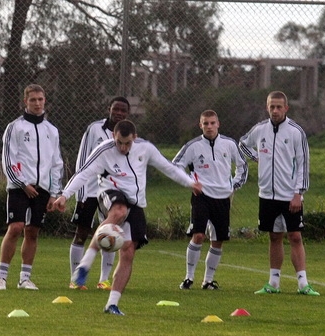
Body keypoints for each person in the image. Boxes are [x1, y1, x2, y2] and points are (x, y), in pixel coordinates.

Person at [53, 120, 202, 315]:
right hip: (110, 192)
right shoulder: (103, 150)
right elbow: (83, 174)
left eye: (127, 143)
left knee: (128, 251)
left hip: (136, 202)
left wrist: (190, 183)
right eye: (119, 143)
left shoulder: (145, 148)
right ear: (113, 137)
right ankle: (85, 263)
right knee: (119, 211)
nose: (123, 147)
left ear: (135, 138)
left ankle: (112, 304)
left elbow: (168, 168)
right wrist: (65, 195)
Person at [239, 91, 320, 296]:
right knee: (274, 237)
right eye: (271, 106)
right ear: (267, 107)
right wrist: (256, 157)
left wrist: (298, 193)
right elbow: (242, 144)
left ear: (286, 108)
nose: (275, 110)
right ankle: (273, 283)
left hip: (289, 194)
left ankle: (303, 283)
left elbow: (303, 164)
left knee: (295, 236)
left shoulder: (296, 132)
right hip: (266, 194)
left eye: (279, 107)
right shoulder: (259, 130)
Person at [0, 84, 64, 290]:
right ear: (25, 102)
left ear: (45, 101)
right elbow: (8, 160)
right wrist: (22, 183)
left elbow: (56, 163)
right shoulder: (14, 127)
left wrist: (54, 194)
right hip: (19, 187)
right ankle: (1, 277)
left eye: (40, 99)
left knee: (32, 232)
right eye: (33, 100)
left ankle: (24, 278)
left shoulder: (52, 130)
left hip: (42, 189)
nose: (37, 103)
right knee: (15, 228)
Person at [173, 110, 248, 290]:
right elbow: (175, 165)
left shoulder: (230, 144)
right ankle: (189, 277)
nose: (209, 126)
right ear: (200, 125)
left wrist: (233, 186)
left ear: (218, 124)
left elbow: (242, 166)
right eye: (205, 123)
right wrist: (191, 183)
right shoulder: (193, 146)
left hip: (223, 198)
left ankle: (208, 280)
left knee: (218, 239)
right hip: (202, 196)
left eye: (212, 123)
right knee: (198, 235)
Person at [68, 97, 131, 290]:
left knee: (110, 233)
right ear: (109, 109)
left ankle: (103, 280)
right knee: (82, 232)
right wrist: (81, 190)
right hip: (89, 190)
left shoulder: (127, 134)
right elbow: (83, 159)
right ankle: (75, 279)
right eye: (116, 109)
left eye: (123, 111)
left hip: (111, 192)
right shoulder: (94, 129)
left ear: (127, 114)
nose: (119, 113)